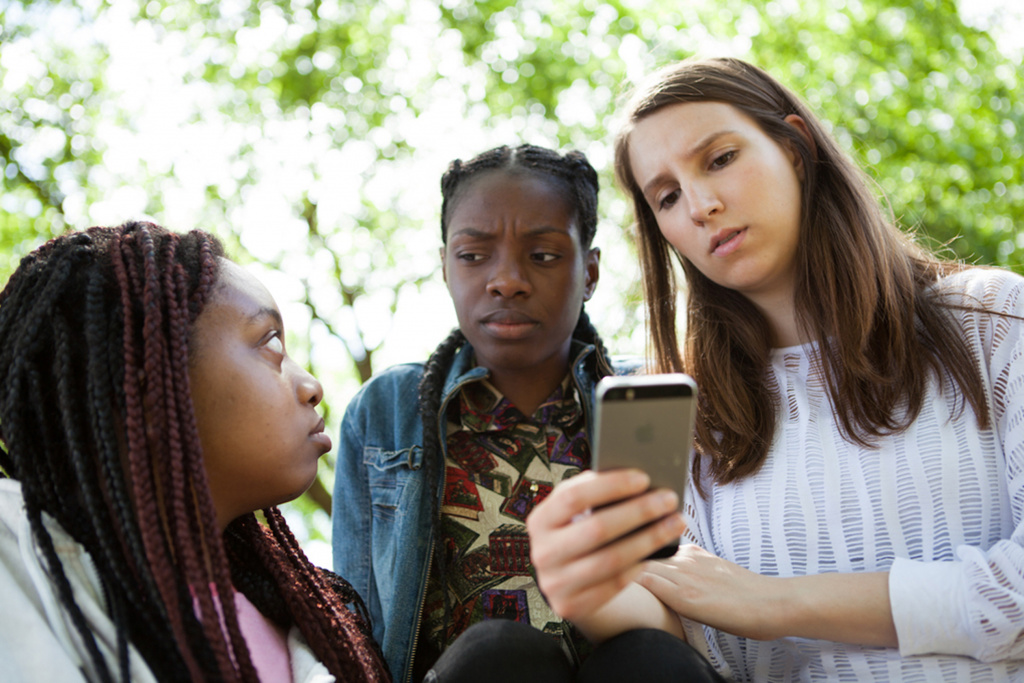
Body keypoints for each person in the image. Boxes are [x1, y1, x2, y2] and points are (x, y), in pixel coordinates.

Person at [527, 57, 1024, 681]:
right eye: (668, 197)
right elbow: (713, 649)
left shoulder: (994, 320)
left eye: (720, 159)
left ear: (794, 146)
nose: (701, 206)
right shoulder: (695, 413)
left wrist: (772, 603)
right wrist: (590, 589)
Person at [332, 144, 722, 683]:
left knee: (650, 657)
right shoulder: (385, 411)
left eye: (543, 256)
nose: (506, 280)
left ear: (590, 273)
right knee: (500, 652)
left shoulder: (655, 395)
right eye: (473, 256)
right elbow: (358, 614)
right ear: (444, 267)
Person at [0, 222, 389, 682]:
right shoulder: (18, 559)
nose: (311, 386)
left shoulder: (303, 616)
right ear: (148, 395)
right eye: (271, 343)